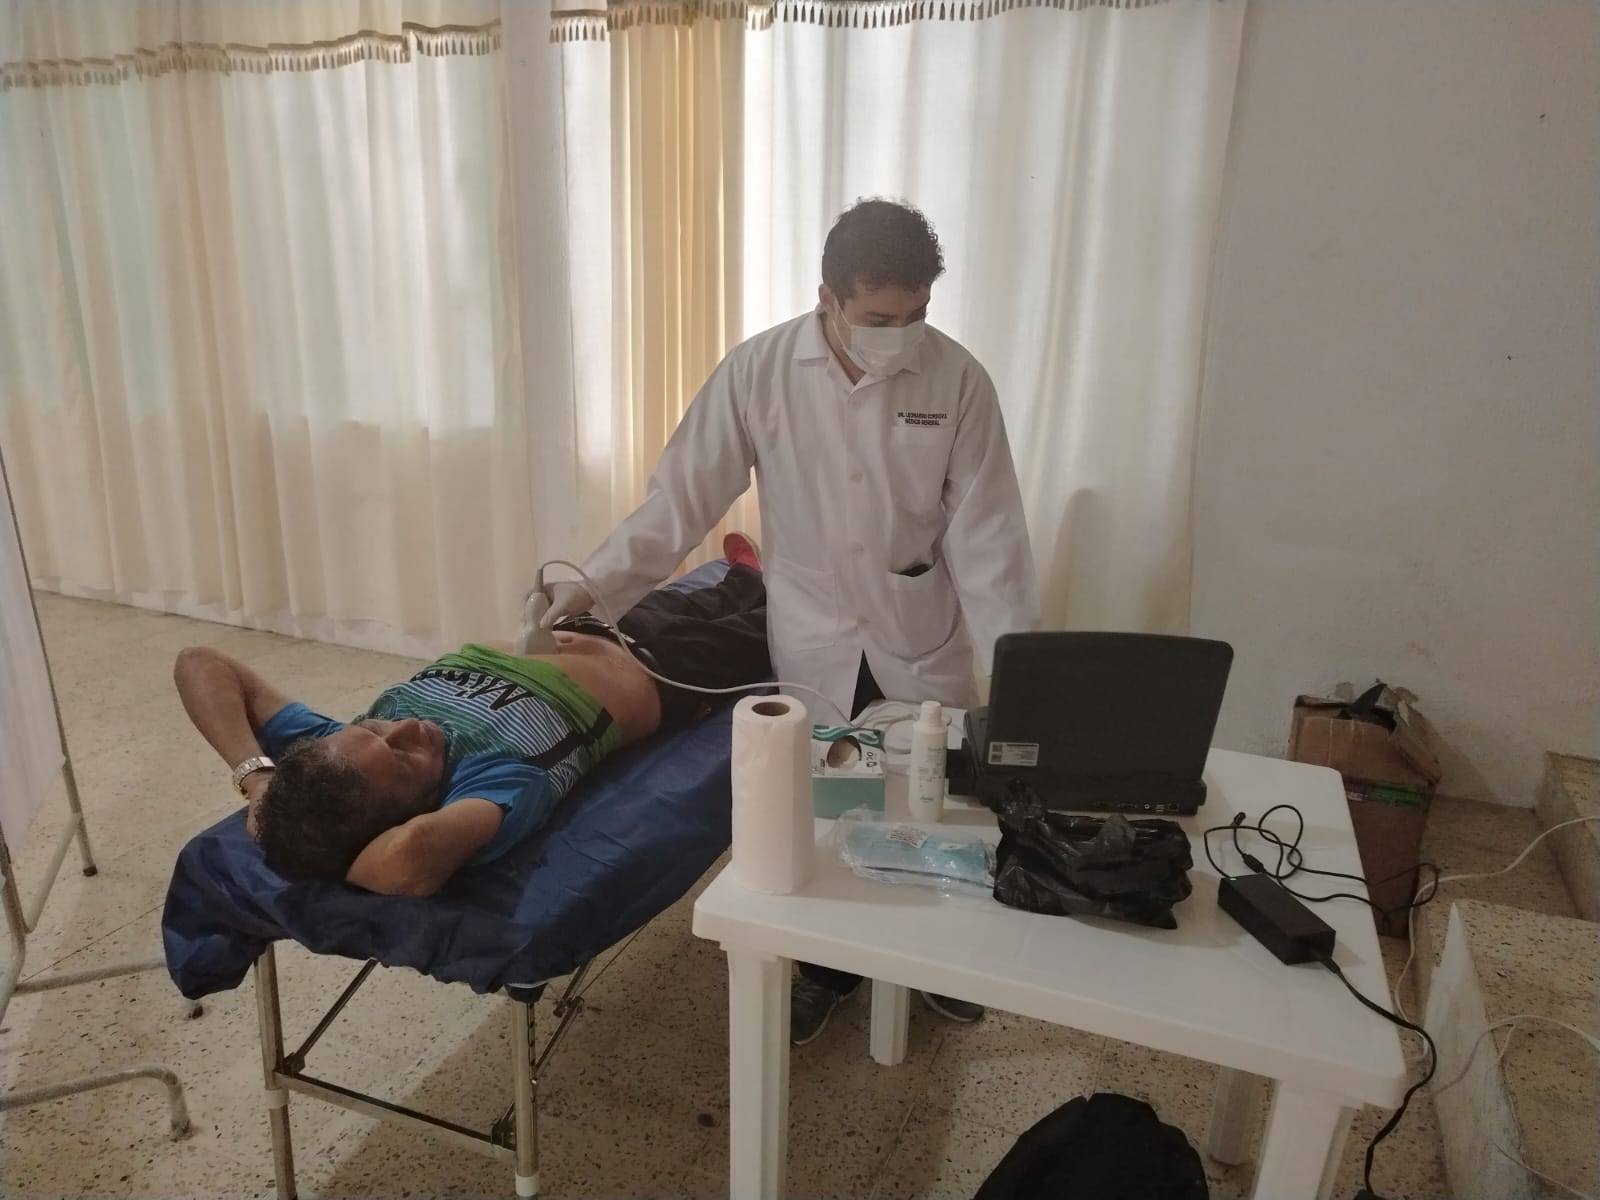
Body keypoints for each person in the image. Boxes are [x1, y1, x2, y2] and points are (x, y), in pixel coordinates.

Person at [534, 199, 1039, 1045]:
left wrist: (1023, 678)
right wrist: (596, 588)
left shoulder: (957, 380)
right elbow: (680, 499)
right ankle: (829, 969)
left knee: (932, 798)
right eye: (881, 319)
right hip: (813, 632)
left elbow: (990, 539)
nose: (903, 335)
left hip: (920, 628)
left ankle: (934, 966)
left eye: (917, 314)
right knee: (829, 803)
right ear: (827, 300)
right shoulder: (759, 371)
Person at [173, 549, 769, 896]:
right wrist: (318, 854)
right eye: (405, 759)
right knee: (780, 623)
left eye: (377, 729)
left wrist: (258, 780)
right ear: (416, 810)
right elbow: (408, 860)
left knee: (698, 597)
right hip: (672, 669)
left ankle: (743, 575)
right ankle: (759, 585)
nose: (407, 729)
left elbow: (199, 662)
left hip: (587, 625)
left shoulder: (342, 756)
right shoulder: (495, 783)